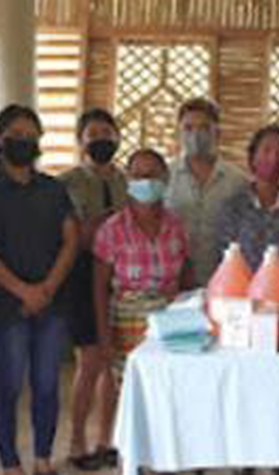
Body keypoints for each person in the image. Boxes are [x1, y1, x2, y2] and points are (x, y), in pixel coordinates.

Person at [0, 105, 78, 475]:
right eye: (16, 135)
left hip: (51, 304)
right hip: (3, 307)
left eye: (31, 137)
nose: (24, 142)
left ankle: (43, 459)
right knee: (7, 388)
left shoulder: (53, 188)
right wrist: (23, 292)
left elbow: (71, 241)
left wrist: (46, 289)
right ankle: (10, 463)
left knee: (47, 385)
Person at [59, 109, 128, 471]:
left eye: (107, 132)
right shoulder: (66, 182)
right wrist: (110, 221)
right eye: (93, 133)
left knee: (113, 362)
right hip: (82, 276)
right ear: (81, 140)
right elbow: (78, 236)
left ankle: (106, 439)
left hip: (123, 276)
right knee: (89, 361)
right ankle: (76, 440)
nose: (101, 138)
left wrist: (107, 223)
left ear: (117, 137)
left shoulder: (128, 180)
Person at [94, 148, 190, 380]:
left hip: (169, 327)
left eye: (152, 175)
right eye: (137, 175)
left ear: (165, 180)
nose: (145, 181)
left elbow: (186, 274)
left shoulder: (176, 227)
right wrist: (104, 338)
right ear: (127, 181)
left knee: (166, 387)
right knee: (129, 391)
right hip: (126, 328)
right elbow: (99, 288)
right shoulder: (112, 229)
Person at [165, 98, 246, 287]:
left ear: (217, 133)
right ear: (179, 133)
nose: (196, 134)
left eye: (204, 128)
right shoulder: (165, 176)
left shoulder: (237, 181)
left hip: (224, 281)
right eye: (188, 128)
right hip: (173, 282)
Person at [215, 125, 279, 272]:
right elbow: (225, 256)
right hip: (239, 289)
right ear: (252, 157)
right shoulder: (233, 207)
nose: (273, 158)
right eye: (266, 150)